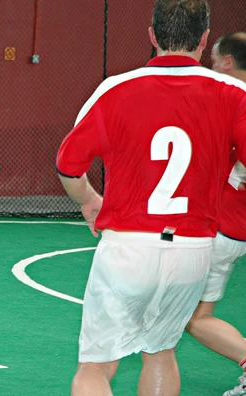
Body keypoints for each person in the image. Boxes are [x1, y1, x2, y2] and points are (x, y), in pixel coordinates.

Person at [55, 1, 246, 395]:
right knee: (160, 352)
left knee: (95, 366)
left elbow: (69, 165)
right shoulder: (235, 93)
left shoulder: (115, 88)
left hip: (128, 246)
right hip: (194, 250)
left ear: (153, 35)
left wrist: (90, 200)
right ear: (205, 37)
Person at [185, 32, 246, 396]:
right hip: (233, 227)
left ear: (226, 62)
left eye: (213, 59)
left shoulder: (234, 104)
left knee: (194, 318)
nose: (209, 65)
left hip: (225, 227)